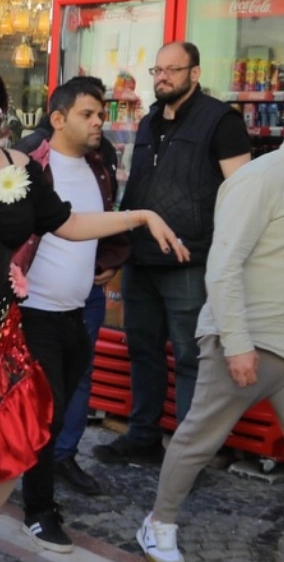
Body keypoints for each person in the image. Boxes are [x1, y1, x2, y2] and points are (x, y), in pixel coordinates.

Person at [0, 54, 188, 562]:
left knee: (17, 443)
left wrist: (138, 216)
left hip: (2, 332)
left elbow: (67, 224)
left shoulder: (22, 167)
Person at [95, 41, 253, 466]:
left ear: (194, 74)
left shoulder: (222, 121)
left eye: (172, 70)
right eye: (157, 70)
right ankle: (143, 436)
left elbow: (243, 194)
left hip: (189, 258)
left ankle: (189, 454)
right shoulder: (148, 122)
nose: (162, 77)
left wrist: (226, 253)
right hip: (141, 257)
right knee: (142, 349)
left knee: (190, 357)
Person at [137, 149, 284, 562]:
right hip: (247, 338)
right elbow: (223, 265)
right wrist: (237, 343)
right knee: (199, 439)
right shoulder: (260, 179)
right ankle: (158, 525)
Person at [8, 79, 129, 551]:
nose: (99, 122)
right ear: (58, 119)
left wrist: (108, 261)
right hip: (34, 311)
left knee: (56, 416)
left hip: (79, 309)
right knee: (45, 413)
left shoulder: (101, 166)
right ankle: (37, 511)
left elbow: (98, 223)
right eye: (88, 114)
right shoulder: (31, 164)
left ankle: (32, 482)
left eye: (101, 114)